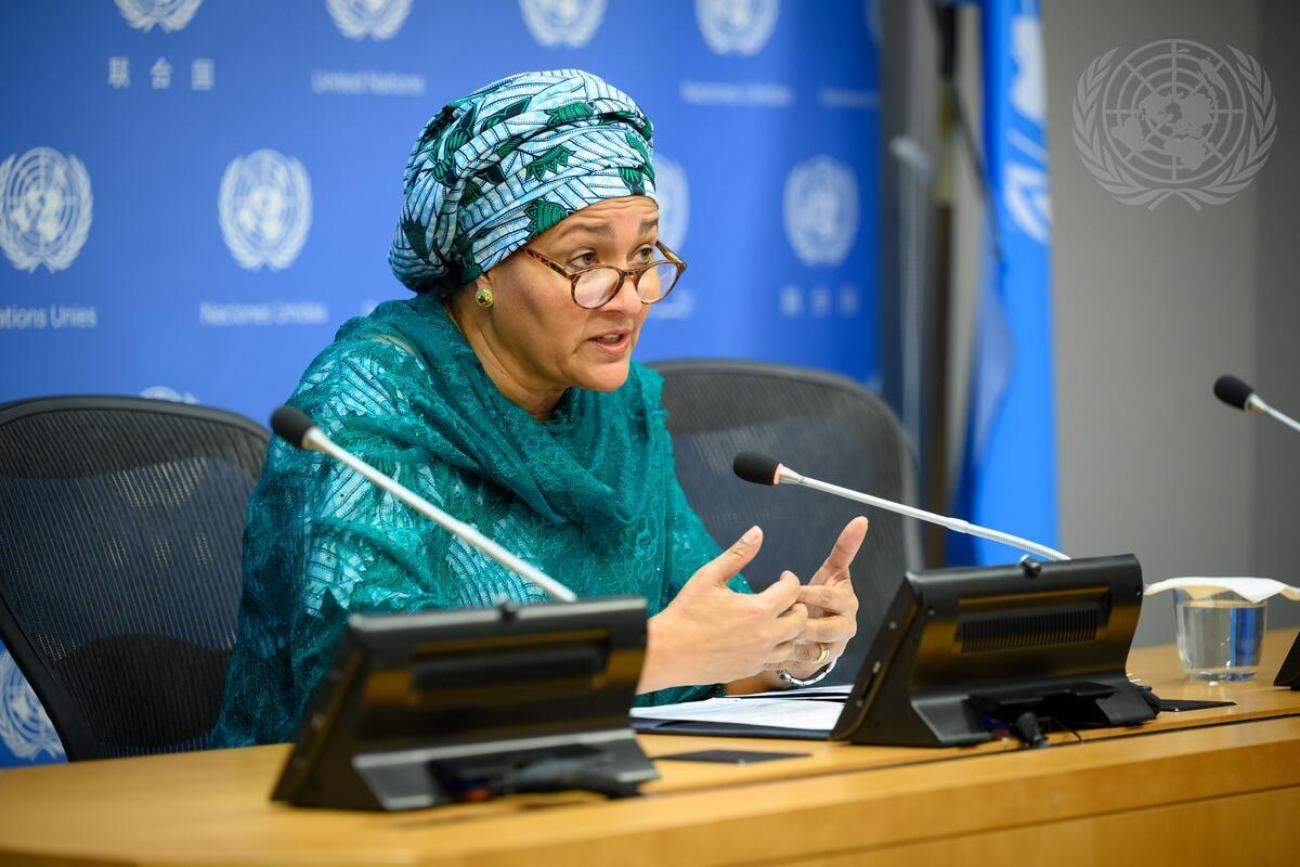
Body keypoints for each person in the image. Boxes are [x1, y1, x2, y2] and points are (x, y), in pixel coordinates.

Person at [214, 69, 864, 747]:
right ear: (486, 268)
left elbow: (698, 663)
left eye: (643, 254)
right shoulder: (366, 409)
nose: (631, 297)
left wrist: (782, 645)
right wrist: (654, 654)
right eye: (586, 258)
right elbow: (367, 693)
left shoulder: (617, 411)